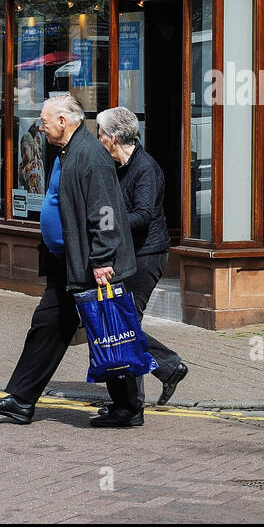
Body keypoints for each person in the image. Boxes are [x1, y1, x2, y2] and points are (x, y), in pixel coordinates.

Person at [0, 93, 138, 427]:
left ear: (63, 121)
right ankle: (21, 401)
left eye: (45, 121)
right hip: (67, 263)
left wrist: (102, 259)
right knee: (47, 328)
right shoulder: (70, 151)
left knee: (107, 330)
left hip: (90, 265)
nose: (41, 126)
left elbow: (106, 212)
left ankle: (129, 408)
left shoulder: (90, 156)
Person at [95, 106, 188, 413]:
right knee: (124, 324)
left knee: (124, 325)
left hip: (147, 255)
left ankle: (140, 394)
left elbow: (144, 215)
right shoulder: (118, 166)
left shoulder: (145, 168)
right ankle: (164, 369)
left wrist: (106, 221)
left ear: (112, 137)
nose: (97, 138)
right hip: (127, 254)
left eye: (99, 133)